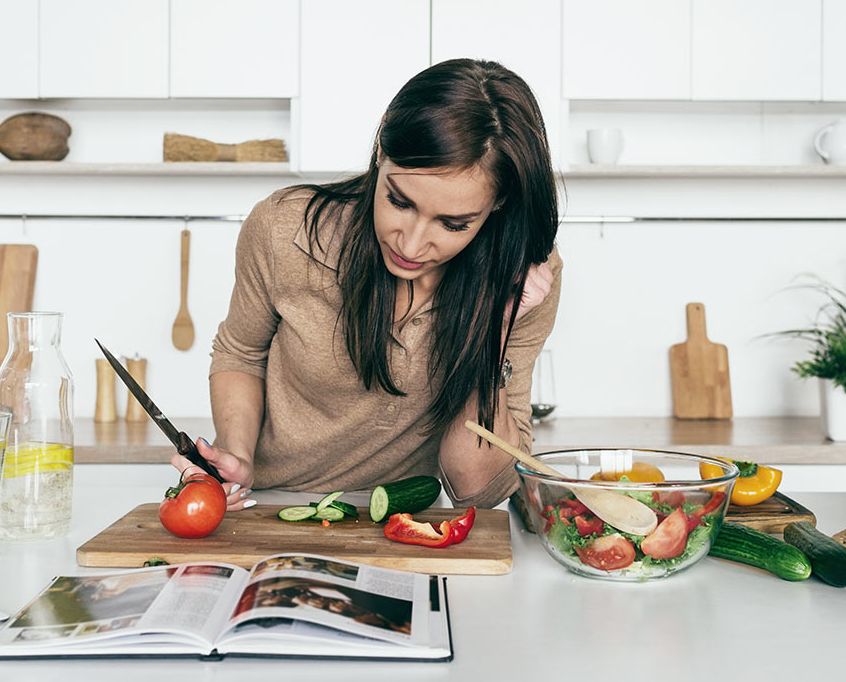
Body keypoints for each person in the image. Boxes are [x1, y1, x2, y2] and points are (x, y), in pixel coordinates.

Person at [173, 58, 562, 510]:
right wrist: (237, 456)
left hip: (406, 515)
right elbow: (241, 352)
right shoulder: (285, 228)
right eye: (399, 200)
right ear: (381, 146)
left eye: (453, 224)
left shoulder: (525, 273)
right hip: (271, 503)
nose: (413, 245)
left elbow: (476, 487)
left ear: (499, 203)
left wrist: (497, 322)